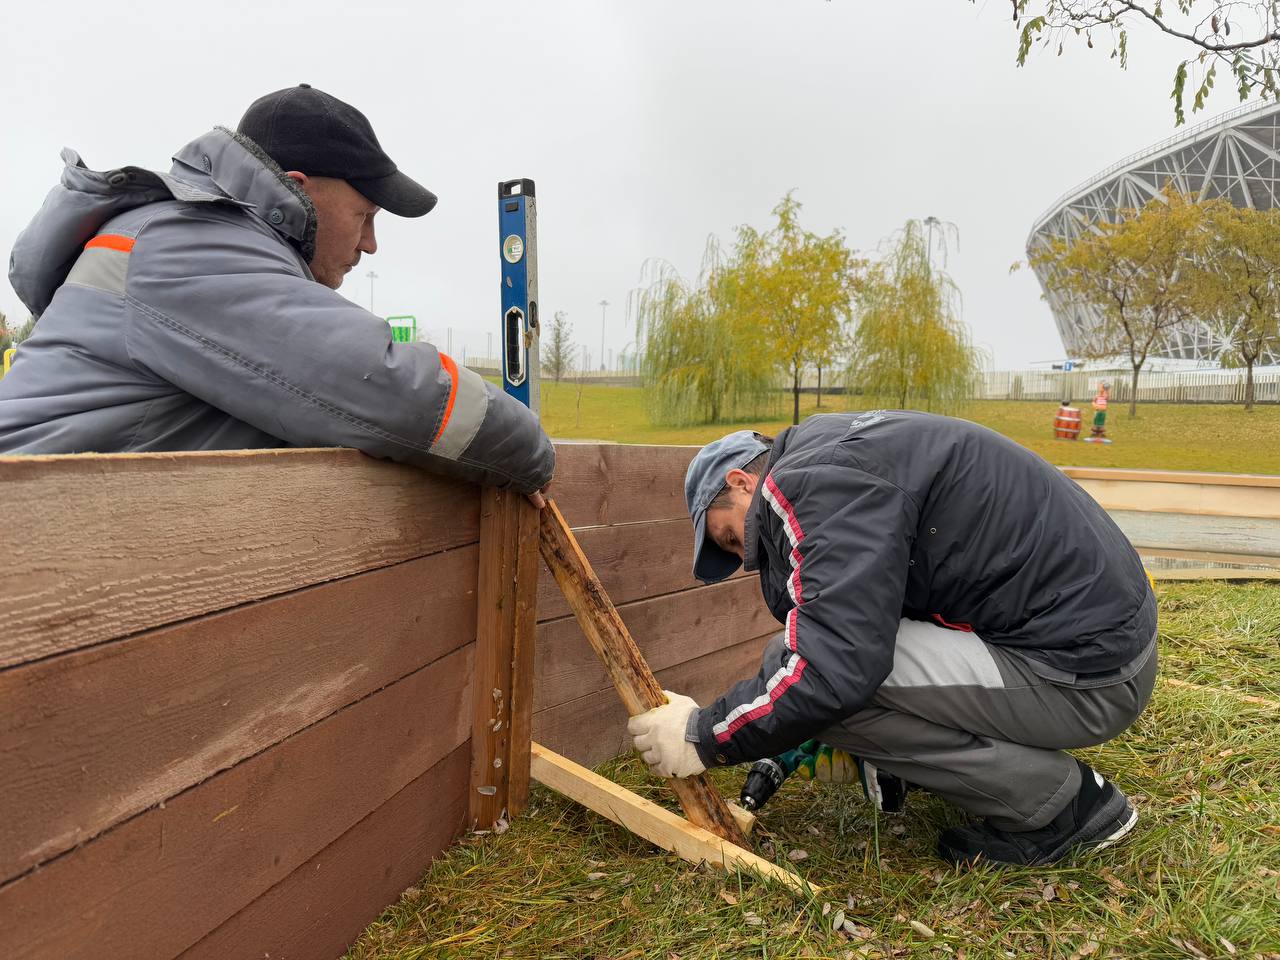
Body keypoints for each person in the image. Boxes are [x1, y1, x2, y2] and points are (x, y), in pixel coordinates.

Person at [628, 411, 1157, 866]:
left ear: (742, 482)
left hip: (1086, 675)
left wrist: (703, 735)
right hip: (1096, 644)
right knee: (806, 669)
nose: (746, 556)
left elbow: (833, 668)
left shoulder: (809, 486)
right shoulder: (839, 455)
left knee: (818, 678)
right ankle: (918, 769)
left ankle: (1060, 806)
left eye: (730, 535)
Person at [1, 84, 552, 502]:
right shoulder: (190, 244)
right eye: (363, 216)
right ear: (297, 187)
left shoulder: (199, 242)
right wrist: (537, 456)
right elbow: (387, 389)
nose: (370, 244)